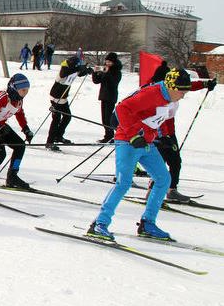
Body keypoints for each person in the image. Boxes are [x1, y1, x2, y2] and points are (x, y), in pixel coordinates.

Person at [86, 68, 205, 241]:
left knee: (164, 179)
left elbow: (159, 117)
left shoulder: (169, 97)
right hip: (128, 141)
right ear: (171, 87)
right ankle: (99, 224)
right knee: (123, 183)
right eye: (181, 91)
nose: (183, 95)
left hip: (147, 143)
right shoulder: (152, 93)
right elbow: (121, 109)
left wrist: (164, 137)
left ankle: (147, 223)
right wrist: (133, 135)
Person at [145, 64, 215, 203]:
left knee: (175, 161)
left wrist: (205, 83)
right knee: (160, 162)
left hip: (169, 132)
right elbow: (157, 117)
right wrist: (163, 136)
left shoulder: (173, 89)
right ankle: (152, 192)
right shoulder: (156, 92)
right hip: (157, 132)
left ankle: (172, 190)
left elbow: (187, 86)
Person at [45, 54, 93, 151]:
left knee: (67, 117)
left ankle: (58, 136)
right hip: (56, 97)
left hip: (63, 98)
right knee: (56, 119)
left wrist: (86, 71)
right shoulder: (64, 69)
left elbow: (78, 73)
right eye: (76, 66)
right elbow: (66, 74)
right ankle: (49, 142)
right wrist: (79, 68)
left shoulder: (72, 69)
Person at [92, 52, 122, 142]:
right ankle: (108, 135)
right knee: (104, 118)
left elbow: (113, 83)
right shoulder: (105, 70)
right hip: (103, 96)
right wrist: (95, 73)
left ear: (114, 62)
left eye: (110, 62)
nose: (107, 63)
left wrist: (107, 73)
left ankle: (111, 135)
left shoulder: (117, 72)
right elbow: (97, 81)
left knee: (108, 118)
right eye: (107, 61)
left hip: (111, 96)